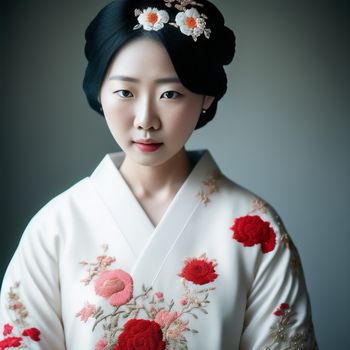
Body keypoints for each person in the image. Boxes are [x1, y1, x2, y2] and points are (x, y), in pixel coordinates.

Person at [0, 0, 318, 349]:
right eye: (125, 92)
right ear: (99, 92)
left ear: (206, 96)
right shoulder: (56, 227)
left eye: (170, 94)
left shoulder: (256, 228)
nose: (145, 120)